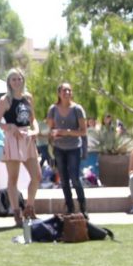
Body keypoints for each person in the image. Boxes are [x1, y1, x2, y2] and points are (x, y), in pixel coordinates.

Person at [0, 68, 40, 224]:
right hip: (12, 139)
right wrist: (10, 127)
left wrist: (36, 130)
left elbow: (33, 119)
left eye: (19, 79)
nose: (16, 82)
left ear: (23, 80)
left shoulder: (28, 98)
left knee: (37, 176)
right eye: (13, 79)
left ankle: (29, 208)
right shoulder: (5, 100)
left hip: (28, 138)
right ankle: (16, 212)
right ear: (8, 82)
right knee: (13, 178)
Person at [46, 82, 88, 215]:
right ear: (59, 93)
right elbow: (50, 128)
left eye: (69, 90)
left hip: (74, 148)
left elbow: (83, 131)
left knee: (75, 179)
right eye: (64, 90)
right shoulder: (53, 109)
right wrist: (54, 135)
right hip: (59, 148)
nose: (67, 93)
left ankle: (82, 207)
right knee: (63, 180)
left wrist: (67, 132)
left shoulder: (77, 109)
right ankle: (70, 208)